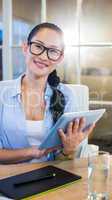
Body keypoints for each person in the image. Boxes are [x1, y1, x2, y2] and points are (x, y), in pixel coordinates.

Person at [0, 22, 95, 164]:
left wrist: (68, 150)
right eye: (38, 46)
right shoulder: (2, 93)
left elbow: (64, 161)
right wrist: (33, 152)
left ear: (60, 58)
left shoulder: (67, 96)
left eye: (53, 51)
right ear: (25, 47)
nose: (44, 57)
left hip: (50, 176)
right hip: (7, 178)